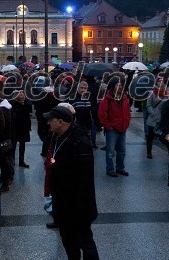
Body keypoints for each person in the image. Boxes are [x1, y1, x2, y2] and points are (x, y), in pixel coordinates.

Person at [43, 105, 99, 259]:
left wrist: (79, 209)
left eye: (51, 120)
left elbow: (85, 181)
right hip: (62, 204)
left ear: (61, 122)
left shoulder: (80, 141)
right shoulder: (57, 136)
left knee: (86, 243)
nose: (48, 123)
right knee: (68, 242)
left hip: (78, 207)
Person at [97, 76, 131, 177]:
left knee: (122, 151)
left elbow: (128, 111)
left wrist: (127, 122)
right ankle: (110, 169)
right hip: (112, 129)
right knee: (110, 152)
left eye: (120, 85)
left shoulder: (124, 97)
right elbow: (102, 113)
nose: (119, 87)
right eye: (117, 85)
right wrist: (108, 126)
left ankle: (120, 168)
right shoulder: (107, 99)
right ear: (113, 86)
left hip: (123, 127)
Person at [146, 78, 166, 159]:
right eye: (159, 81)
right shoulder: (152, 93)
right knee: (150, 136)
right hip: (153, 117)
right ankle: (149, 152)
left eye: (162, 81)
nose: (161, 83)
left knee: (163, 136)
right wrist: (152, 113)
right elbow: (148, 104)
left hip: (162, 118)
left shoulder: (166, 93)